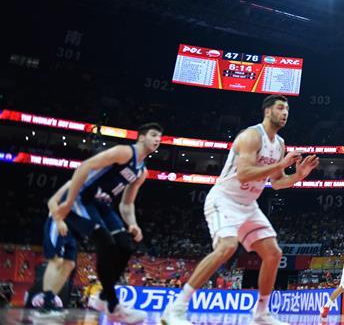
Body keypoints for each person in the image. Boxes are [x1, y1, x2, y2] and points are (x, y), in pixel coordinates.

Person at [163, 96, 319, 325]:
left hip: (248, 205)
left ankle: (261, 314)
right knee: (227, 246)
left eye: (287, 109)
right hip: (224, 199)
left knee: (273, 254)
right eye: (280, 108)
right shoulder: (250, 136)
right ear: (267, 111)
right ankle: (176, 308)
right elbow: (244, 173)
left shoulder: (280, 144)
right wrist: (281, 165)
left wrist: (298, 175)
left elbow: (276, 182)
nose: (285, 112)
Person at [45, 123, 162, 323]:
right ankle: (112, 304)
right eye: (153, 135)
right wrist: (69, 202)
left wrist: (132, 223)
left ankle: (103, 298)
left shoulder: (141, 172)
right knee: (105, 242)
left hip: (103, 205)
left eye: (160, 137)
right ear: (141, 137)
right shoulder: (124, 152)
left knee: (125, 244)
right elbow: (85, 166)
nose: (157, 139)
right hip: (84, 198)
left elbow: (127, 203)